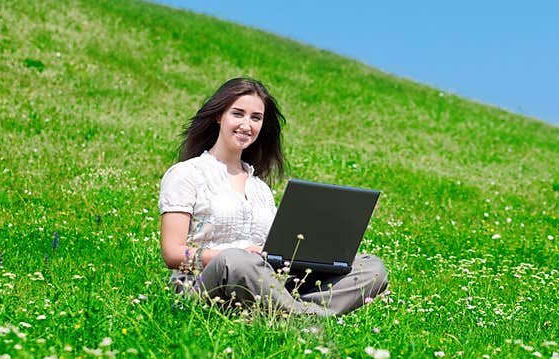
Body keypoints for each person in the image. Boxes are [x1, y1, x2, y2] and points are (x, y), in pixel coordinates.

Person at [158, 77, 388, 318]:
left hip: (263, 280)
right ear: (219, 116)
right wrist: (236, 255)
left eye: (255, 118)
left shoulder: (260, 188)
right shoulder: (187, 174)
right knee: (236, 260)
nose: (246, 125)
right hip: (207, 286)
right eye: (238, 114)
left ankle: (286, 312)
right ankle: (300, 318)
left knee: (371, 267)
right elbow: (173, 253)